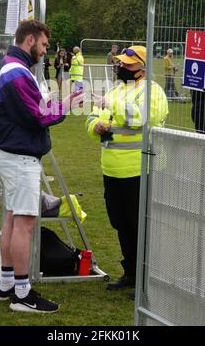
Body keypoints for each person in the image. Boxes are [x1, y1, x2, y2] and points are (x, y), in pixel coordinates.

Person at [0, 19, 83, 313]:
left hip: (11, 156)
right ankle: (21, 292)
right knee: (24, 225)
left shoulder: (9, 66)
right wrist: (66, 105)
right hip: (20, 160)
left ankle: (7, 286)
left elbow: (30, 110)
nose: (45, 51)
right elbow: (38, 116)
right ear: (29, 40)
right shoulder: (16, 72)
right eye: (43, 45)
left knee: (12, 221)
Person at [86, 46, 168, 290]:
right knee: (120, 223)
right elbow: (92, 118)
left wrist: (110, 107)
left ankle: (147, 280)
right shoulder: (115, 90)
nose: (122, 68)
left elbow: (140, 118)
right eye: (121, 63)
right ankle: (131, 273)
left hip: (139, 169)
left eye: (128, 65)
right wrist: (97, 126)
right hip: (112, 169)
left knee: (139, 225)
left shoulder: (153, 91)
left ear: (143, 67)